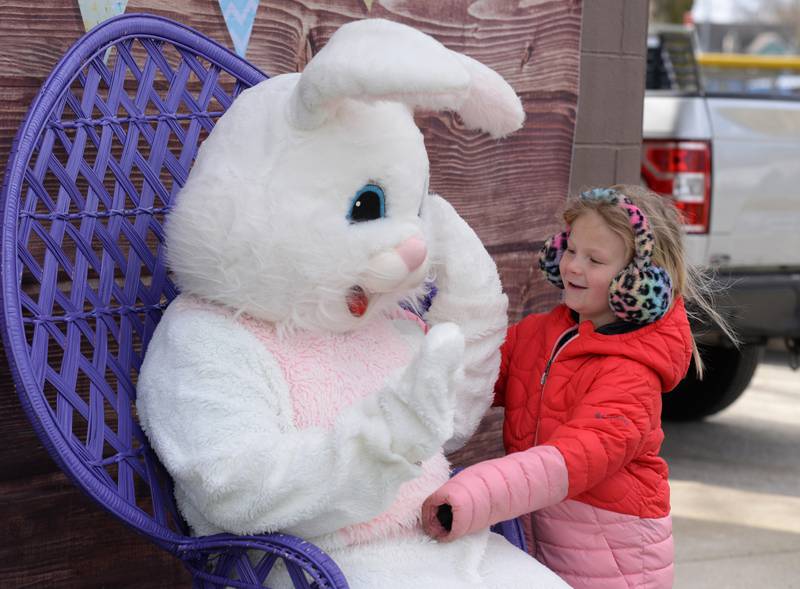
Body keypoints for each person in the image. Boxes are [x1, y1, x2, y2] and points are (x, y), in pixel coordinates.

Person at [421, 184, 736, 589]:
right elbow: (472, 376)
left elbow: (571, 459)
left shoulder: (632, 376)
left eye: (594, 259)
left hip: (614, 563)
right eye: (570, 250)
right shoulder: (540, 334)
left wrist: (472, 494)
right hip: (543, 542)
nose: (571, 266)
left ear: (638, 283)